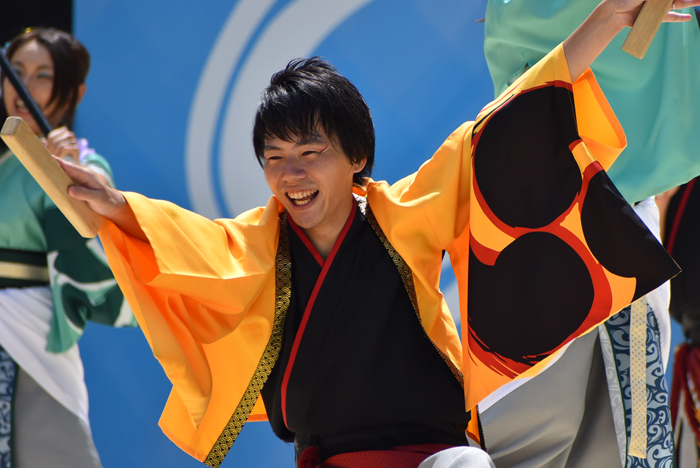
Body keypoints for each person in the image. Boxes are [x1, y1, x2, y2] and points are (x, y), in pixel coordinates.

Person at [57, 1, 689, 467]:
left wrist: (609, 18)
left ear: (356, 157)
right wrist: (112, 206)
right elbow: (177, 240)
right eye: (274, 158)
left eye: (310, 152)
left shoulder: (403, 213)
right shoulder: (259, 244)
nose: (291, 174)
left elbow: (509, 119)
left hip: (439, 456)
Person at [471, 1, 700, 467]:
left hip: (621, 221)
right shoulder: (522, 13)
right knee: (533, 435)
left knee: (630, 438)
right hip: (543, 226)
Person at [0, 28, 134, 468]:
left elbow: (100, 228)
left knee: (49, 447)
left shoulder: (84, 162)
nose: (26, 86)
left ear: (73, 91)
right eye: (16, 72)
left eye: (43, 74)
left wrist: (65, 171)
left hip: (28, 327)